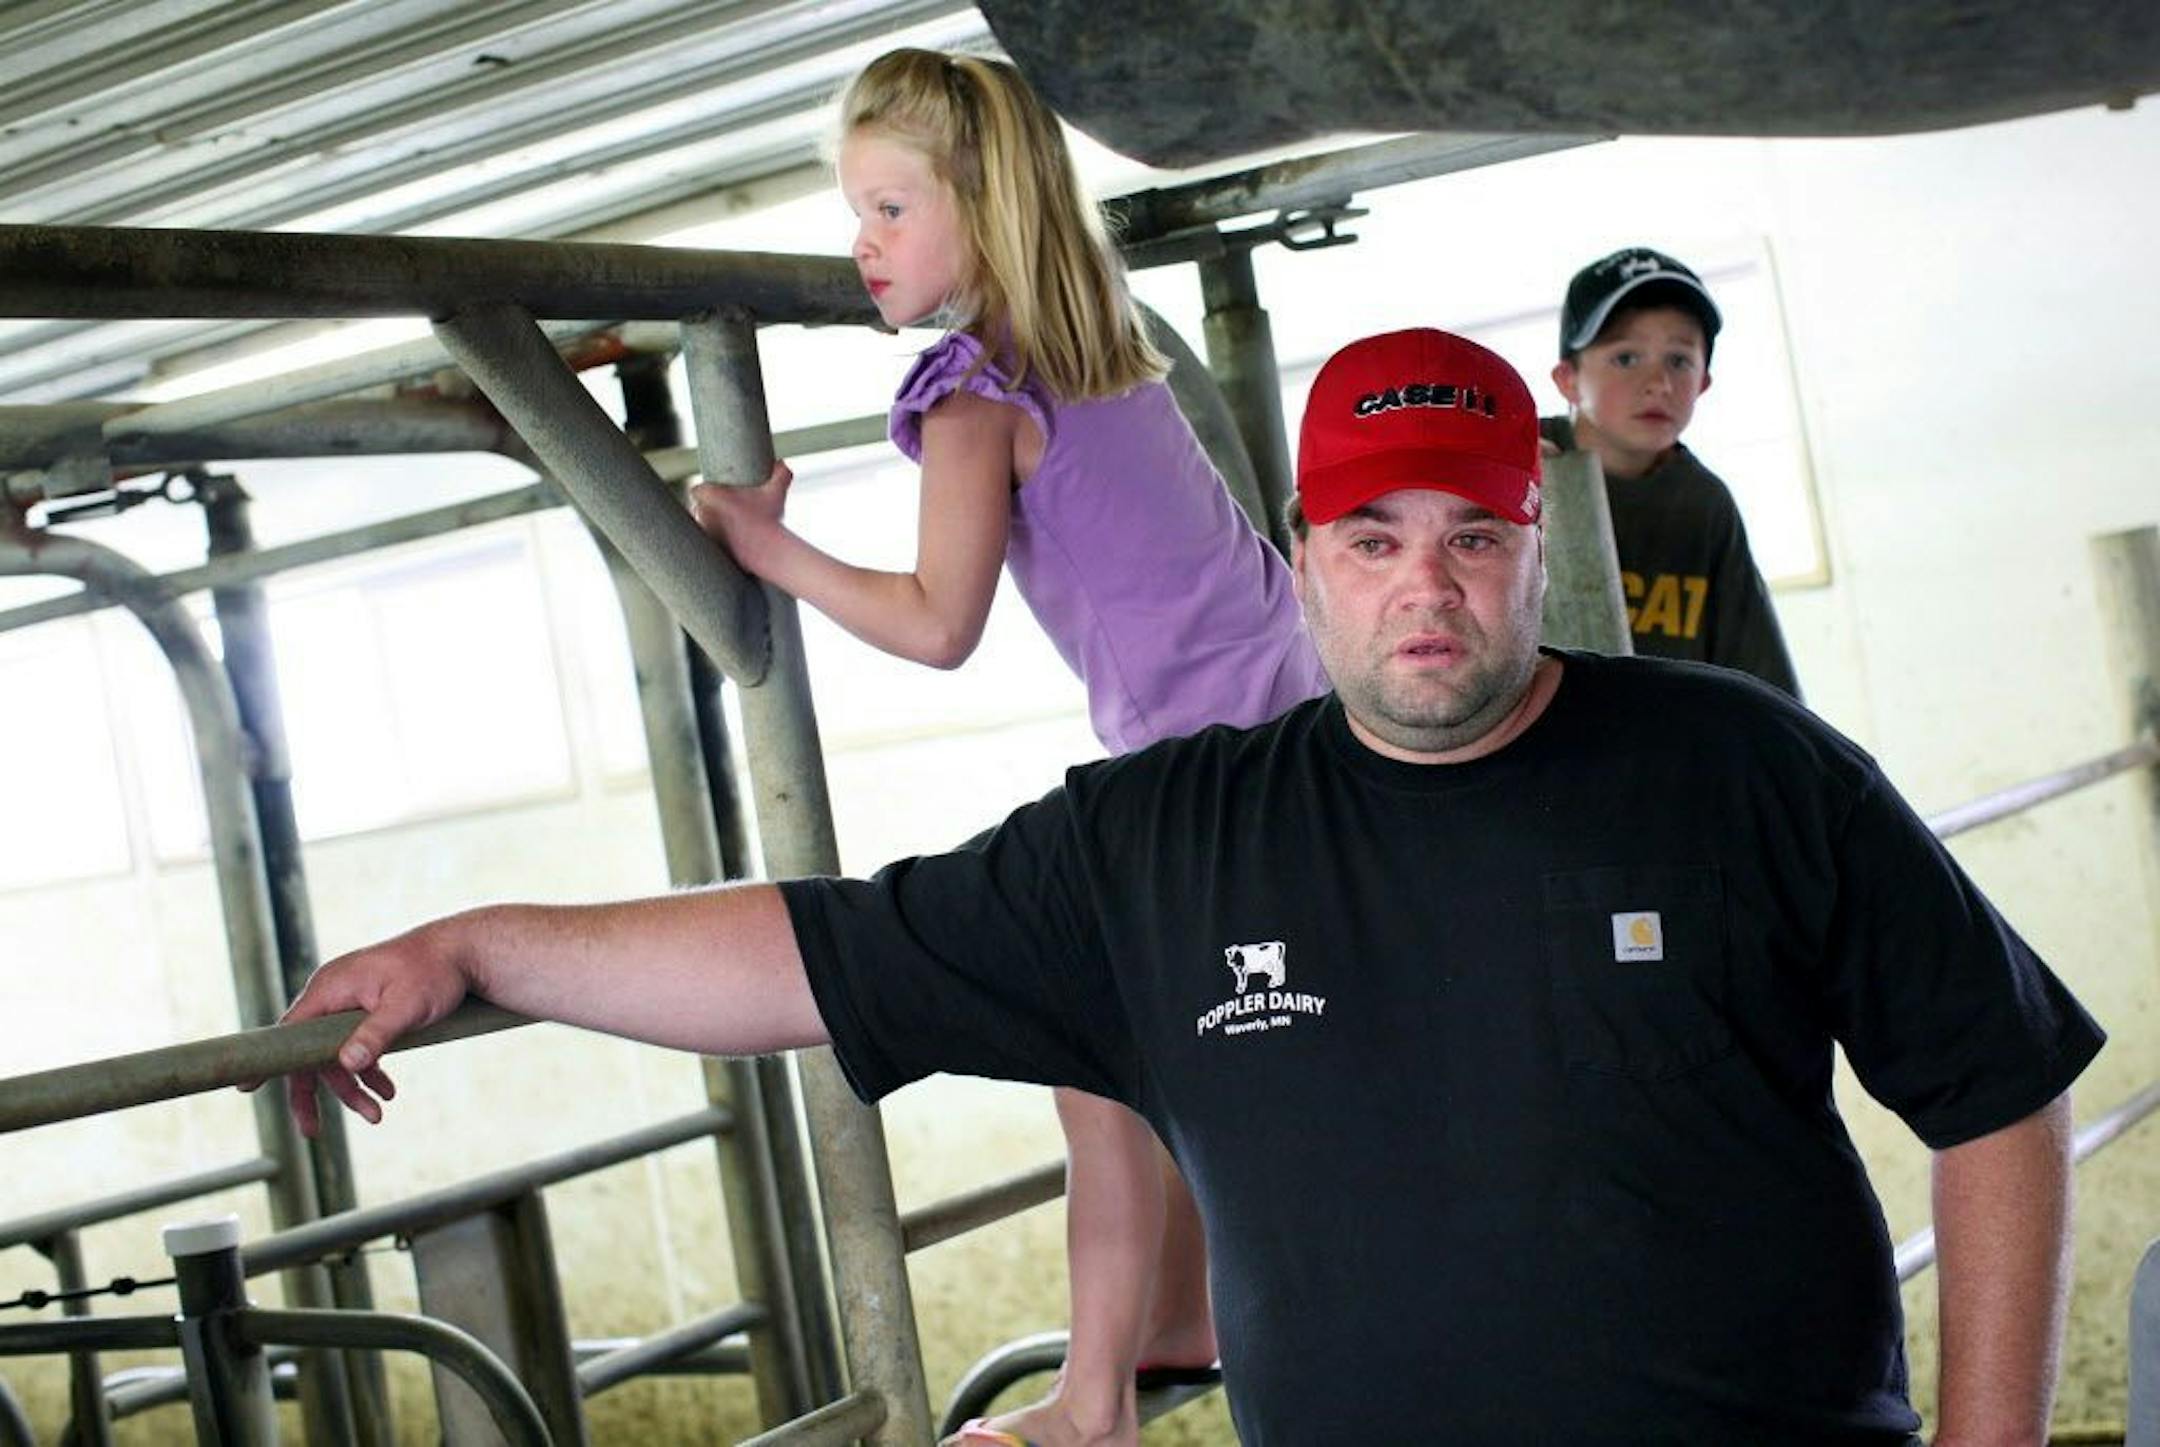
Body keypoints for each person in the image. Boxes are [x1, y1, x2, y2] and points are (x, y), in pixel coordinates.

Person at [279, 329, 2101, 1446]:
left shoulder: (1742, 769)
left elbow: (1998, 1084)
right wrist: (479, 941)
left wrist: (1993, 1435)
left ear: (1535, 543)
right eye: (1375, 539)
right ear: (1302, 559)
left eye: (1473, 535)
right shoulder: (1157, 841)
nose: (1428, 587)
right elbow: (806, 954)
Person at [682, 47, 1327, 1447]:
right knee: (1154, 1055)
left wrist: (764, 540)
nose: (862, 244)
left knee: (1092, 1074)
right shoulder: (1105, 347)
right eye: (856, 212)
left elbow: (934, 625)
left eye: (893, 209)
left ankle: (1093, 1400)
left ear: (985, 201)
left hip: (1197, 777)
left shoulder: (975, 398)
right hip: (1301, 731)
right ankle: (1180, 1317)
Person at [1543, 245, 1803, 697]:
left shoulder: (1704, 504)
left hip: (1662, 754)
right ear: (1568, 379)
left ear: (1703, 383)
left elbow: (1762, 683)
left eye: (1679, 360)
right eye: (1626, 358)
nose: (1658, 384)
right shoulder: (1515, 459)